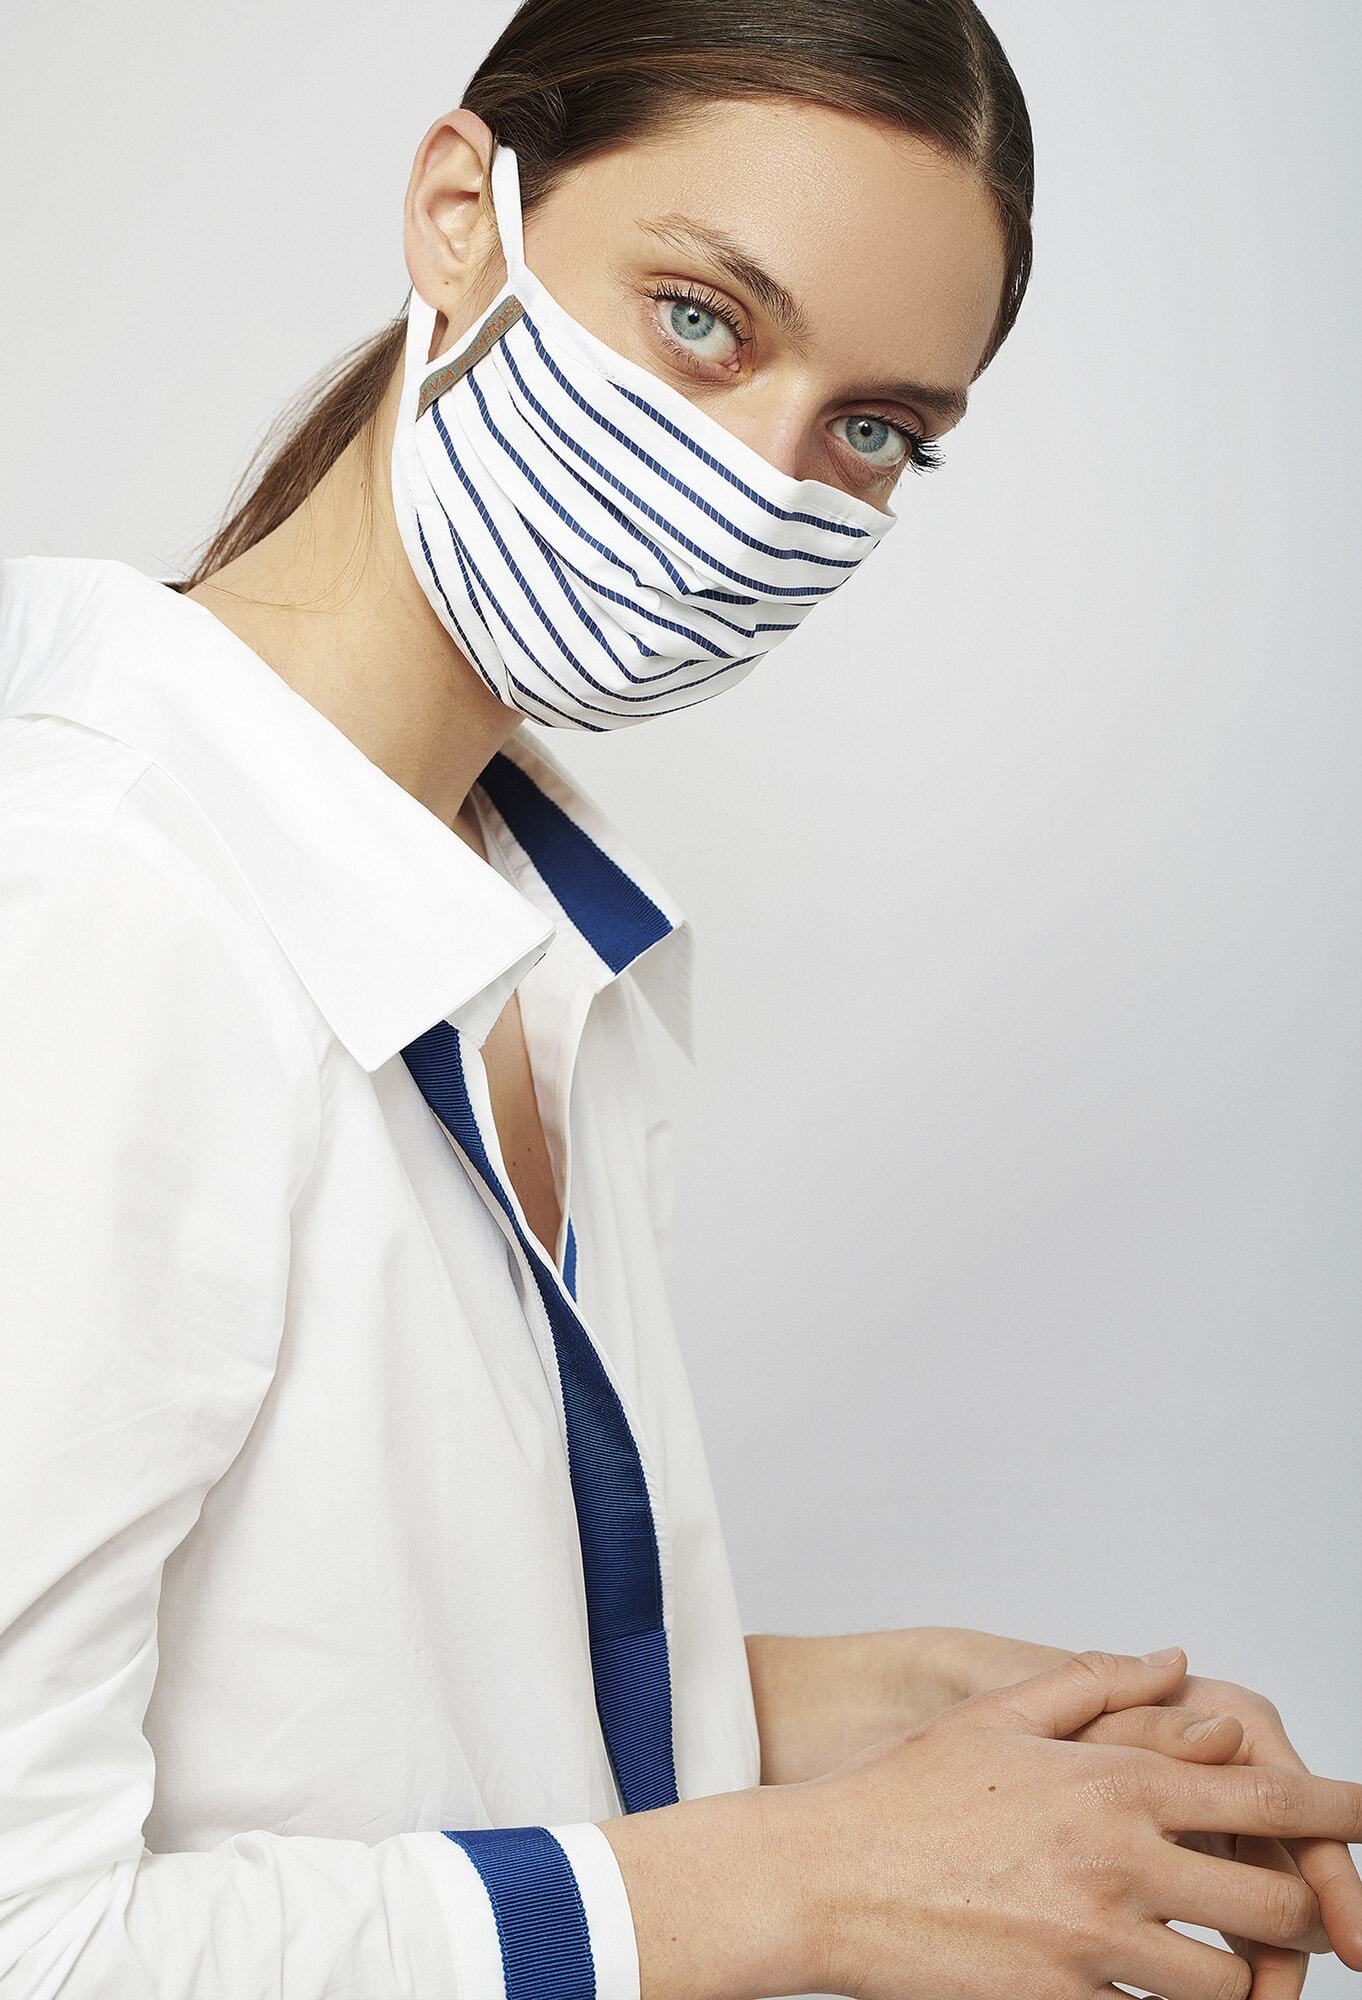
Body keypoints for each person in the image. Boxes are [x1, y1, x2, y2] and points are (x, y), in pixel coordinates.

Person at [1, 4, 1359, 1998]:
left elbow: (335, 1691)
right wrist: (804, 1880)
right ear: (463, 211)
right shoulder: (95, 904)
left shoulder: (519, 927)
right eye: (706, 322)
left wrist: (975, 1735)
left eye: (875, 430)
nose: (758, 488)